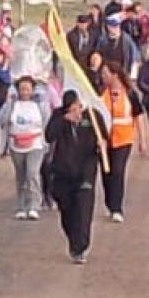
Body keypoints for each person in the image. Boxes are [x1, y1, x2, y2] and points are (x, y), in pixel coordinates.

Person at [45, 90, 109, 264]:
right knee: (67, 212)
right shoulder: (59, 116)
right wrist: (64, 120)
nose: (75, 111)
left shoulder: (93, 117)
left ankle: (80, 247)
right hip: (62, 173)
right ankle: (73, 240)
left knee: (83, 211)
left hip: (85, 172)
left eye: (77, 107)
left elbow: (103, 138)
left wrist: (101, 143)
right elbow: (49, 136)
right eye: (71, 108)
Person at [0, 76, 51, 220]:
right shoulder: (13, 104)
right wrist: (8, 103)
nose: (24, 92)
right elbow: (0, 120)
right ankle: (22, 205)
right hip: (16, 145)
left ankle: (34, 205)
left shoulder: (40, 105)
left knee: (32, 173)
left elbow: (47, 122)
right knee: (21, 175)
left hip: (36, 144)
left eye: (27, 89)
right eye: (22, 89)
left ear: (33, 90)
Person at [100, 62, 146, 223]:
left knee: (118, 172)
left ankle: (116, 208)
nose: (103, 76)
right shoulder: (101, 94)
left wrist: (142, 140)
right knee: (107, 173)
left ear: (115, 75)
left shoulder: (130, 94)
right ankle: (109, 202)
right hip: (105, 141)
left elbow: (138, 116)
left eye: (106, 73)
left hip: (124, 139)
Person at [96, 14, 141, 79]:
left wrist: (132, 72)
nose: (115, 28)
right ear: (108, 27)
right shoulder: (103, 39)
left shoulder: (126, 39)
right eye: (113, 26)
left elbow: (135, 55)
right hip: (107, 71)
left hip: (122, 71)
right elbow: (98, 53)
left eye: (117, 26)